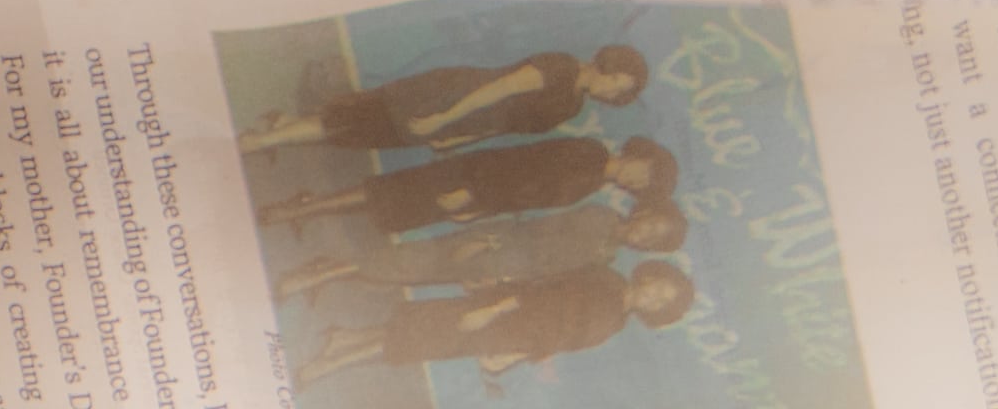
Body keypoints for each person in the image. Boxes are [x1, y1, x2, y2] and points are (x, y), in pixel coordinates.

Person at [303, 253, 697, 381]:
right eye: (658, 287)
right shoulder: (604, 275)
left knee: (420, 337)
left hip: (508, 338)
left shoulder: (615, 324)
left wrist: (513, 357)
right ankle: (331, 362)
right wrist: (491, 308)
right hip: (500, 311)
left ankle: (344, 339)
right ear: (650, 275)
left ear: (655, 312)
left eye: (660, 303)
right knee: (417, 333)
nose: (653, 297)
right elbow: (543, 288)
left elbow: (561, 340)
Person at [242, 41, 649, 156]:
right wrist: (443, 118)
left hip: (464, 121)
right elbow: (498, 89)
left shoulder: (574, 106)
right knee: (353, 119)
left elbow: (506, 124)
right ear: (608, 64)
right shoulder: (560, 67)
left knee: (357, 132)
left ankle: (281, 129)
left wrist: (457, 138)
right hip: (452, 96)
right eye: (618, 81)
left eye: (620, 92)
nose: (614, 91)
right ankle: (263, 140)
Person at [275, 191, 688, 299]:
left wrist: (499, 280)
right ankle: (313, 275)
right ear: (642, 213)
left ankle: (328, 271)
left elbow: (543, 272)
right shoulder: (599, 217)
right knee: (409, 262)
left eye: (652, 241)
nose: (644, 235)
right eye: (650, 225)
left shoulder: (607, 257)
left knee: (415, 274)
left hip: (498, 267)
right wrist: (484, 244)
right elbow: (536, 230)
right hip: (491, 244)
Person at [275, 131, 679, 239]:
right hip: (474, 177)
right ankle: (299, 209)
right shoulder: (589, 153)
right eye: (642, 170)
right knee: (387, 193)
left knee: (392, 208)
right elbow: (522, 164)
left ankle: (311, 206)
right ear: (638, 154)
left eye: (642, 185)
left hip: (481, 196)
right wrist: (474, 190)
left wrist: (478, 209)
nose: (635, 179)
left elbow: (526, 199)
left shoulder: (592, 185)